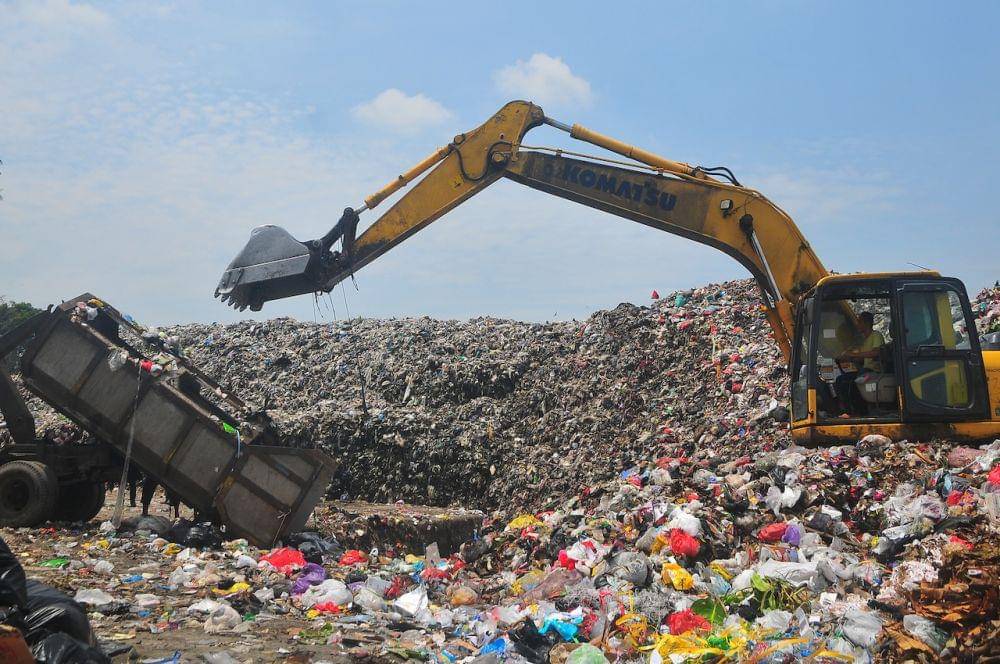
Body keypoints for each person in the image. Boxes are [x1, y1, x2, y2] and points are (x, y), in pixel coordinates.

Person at [834, 312, 885, 415]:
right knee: (840, 380)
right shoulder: (865, 341)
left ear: (866, 323)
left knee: (852, 383)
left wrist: (853, 354)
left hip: (874, 371)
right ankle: (848, 410)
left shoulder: (876, 336)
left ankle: (859, 411)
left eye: (859, 321)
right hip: (865, 370)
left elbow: (876, 353)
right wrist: (847, 357)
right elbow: (861, 359)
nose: (857, 324)